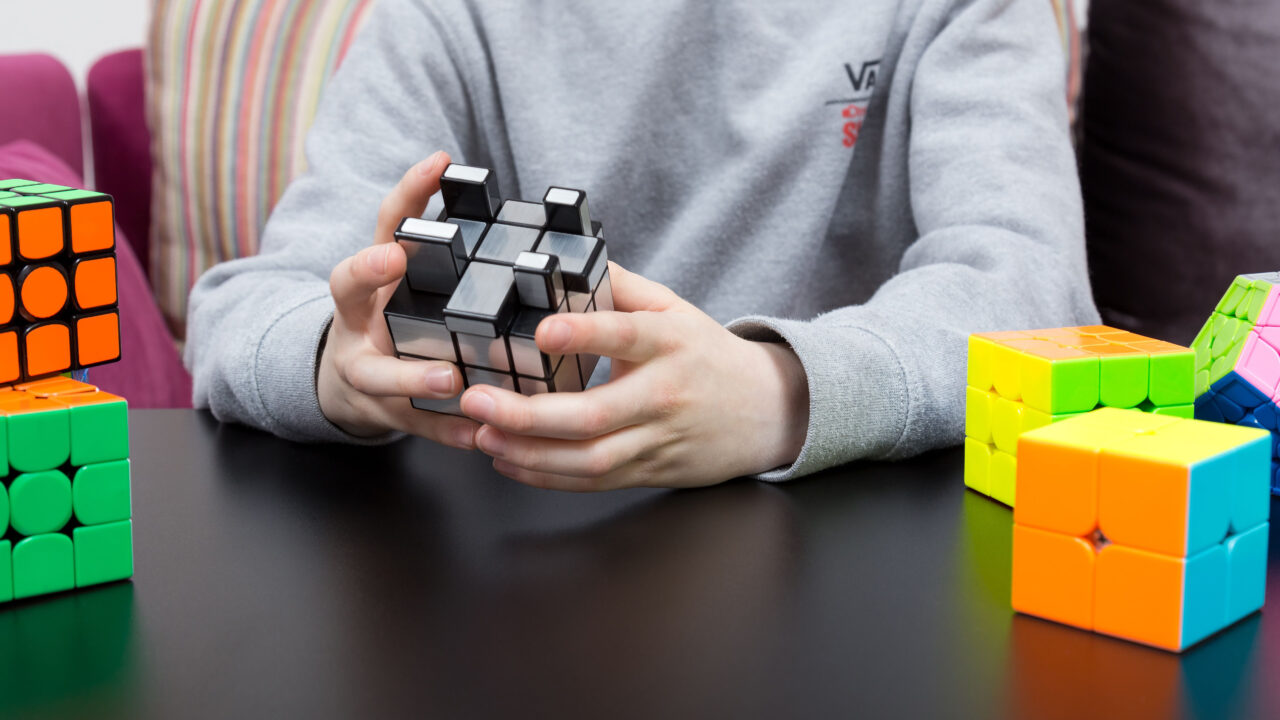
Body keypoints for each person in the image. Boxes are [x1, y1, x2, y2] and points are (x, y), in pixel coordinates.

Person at [185, 0, 1098, 491]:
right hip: (509, 570)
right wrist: (336, 369)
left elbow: (1033, 287)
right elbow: (246, 308)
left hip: (846, 539)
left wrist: (785, 390)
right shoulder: (445, 16)